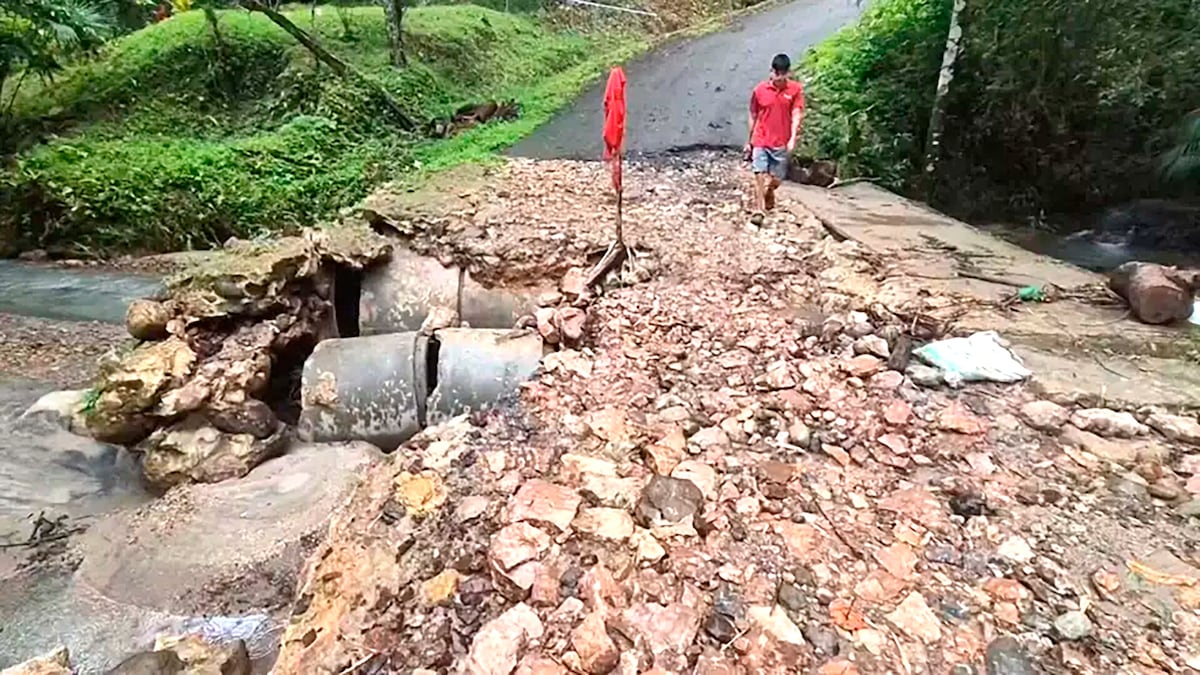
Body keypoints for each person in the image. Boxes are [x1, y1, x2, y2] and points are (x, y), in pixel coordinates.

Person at [745, 53, 805, 225]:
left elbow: (796, 113)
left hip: (781, 141)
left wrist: (792, 137)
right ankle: (759, 210)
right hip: (761, 138)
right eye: (776, 73)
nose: (779, 77)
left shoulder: (795, 90)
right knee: (759, 173)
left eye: (782, 74)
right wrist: (750, 140)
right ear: (771, 71)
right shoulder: (760, 90)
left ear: (788, 73)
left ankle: (770, 191)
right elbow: (753, 114)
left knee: (777, 179)